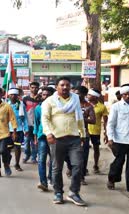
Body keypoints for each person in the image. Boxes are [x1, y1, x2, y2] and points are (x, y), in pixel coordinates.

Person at [42, 76, 86, 206]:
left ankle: (74, 192)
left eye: (67, 85)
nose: (65, 87)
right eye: (62, 85)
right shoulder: (49, 101)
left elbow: (79, 117)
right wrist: (48, 133)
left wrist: (83, 133)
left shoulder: (75, 99)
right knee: (56, 167)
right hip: (57, 139)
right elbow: (45, 119)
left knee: (78, 165)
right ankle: (58, 192)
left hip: (74, 138)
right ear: (57, 87)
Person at [74, 86, 96, 185]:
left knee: (83, 156)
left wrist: (81, 119)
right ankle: (72, 169)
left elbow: (93, 120)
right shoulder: (71, 104)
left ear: (84, 94)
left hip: (84, 134)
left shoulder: (88, 106)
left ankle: (81, 176)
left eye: (78, 93)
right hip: (71, 133)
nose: (76, 95)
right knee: (69, 155)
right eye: (75, 93)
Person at [34, 86, 54, 192]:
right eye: (44, 94)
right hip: (42, 136)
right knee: (41, 160)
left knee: (53, 159)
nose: (45, 96)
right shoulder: (38, 108)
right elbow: (36, 124)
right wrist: (35, 137)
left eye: (48, 94)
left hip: (54, 136)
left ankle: (51, 177)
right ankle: (43, 182)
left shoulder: (56, 107)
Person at [87, 89, 108, 174]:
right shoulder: (85, 105)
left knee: (96, 149)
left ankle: (95, 165)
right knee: (83, 150)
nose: (87, 96)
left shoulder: (102, 107)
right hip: (84, 131)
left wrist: (106, 133)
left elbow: (106, 121)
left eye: (89, 95)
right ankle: (83, 166)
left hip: (96, 131)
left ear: (95, 97)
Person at [7, 88, 28, 172]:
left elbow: (25, 118)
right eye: (11, 95)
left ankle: (17, 164)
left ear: (17, 96)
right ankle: (7, 162)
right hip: (8, 130)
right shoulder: (6, 105)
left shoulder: (21, 105)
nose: (13, 96)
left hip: (18, 130)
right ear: (8, 96)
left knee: (17, 147)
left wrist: (26, 129)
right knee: (7, 148)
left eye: (15, 95)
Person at [23, 82, 40, 164]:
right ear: (30, 88)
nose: (34, 89)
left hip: (37, 124)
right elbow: (22, 111)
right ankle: (27, 155)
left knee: (35, 142)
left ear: (38, 88)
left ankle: (34, 157)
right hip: (27, 124)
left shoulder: (41, 99)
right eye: (32, 87)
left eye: (36, 87)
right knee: (26, 142)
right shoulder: (25, 99)